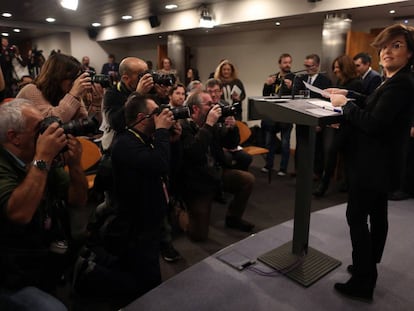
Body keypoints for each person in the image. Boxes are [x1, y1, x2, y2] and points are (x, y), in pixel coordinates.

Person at [327, 24, 414, 302]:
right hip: (382, 164)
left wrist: (345, 106)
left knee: (357, 217)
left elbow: (374, 123)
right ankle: (367, 265)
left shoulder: (402, 83)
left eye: (397, 45)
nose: (388, 51)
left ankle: (364, 280)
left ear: (410, 53)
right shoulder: (394, 80)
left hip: (373, 165)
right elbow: (376, 104)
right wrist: (347, 96)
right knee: (377, 216)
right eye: (385, 46)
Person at [0, 99, 88, 295]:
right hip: (10, 271)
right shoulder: (34, 158)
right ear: (14, 137)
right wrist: (42, 159)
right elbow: (19, 214)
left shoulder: (38, 155)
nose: (47, 134)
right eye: (40, 129)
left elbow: (78, 200)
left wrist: (74, 165)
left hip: (41, 253)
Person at [100, 56, 181, 262]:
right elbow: (118, 122)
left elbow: (158, 115)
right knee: (120, 206)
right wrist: (138, 94)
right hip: (119, 155)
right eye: (141, 74)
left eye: (148, 72)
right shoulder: (112, 93)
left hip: (144, 150)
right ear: (127, 78)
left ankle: (163, 242)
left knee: (154, 196)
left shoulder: (150, 91)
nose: (147, 77)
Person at [111, 93, 179, 295]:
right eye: (155, 113)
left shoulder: (145, 139)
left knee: (150, 265)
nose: (160, 116)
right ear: (142, 117)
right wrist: (162, 133)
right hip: (136, 224)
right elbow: (158, 165)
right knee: (145, 278)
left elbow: (169, 168)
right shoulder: (125, 143)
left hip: (151, 216)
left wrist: (172, 141)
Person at [179, 90, 255, 241]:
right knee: (199, 236)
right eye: (209, 105)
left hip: (214, 173)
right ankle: (178, 211)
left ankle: (233, 217)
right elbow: (195, 153)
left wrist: (232, 128)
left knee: (247, 179)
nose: (214, 108)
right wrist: (208, 125)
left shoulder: (213, 124)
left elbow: (231, 144)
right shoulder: (184, 126)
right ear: (195, 109)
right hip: (196, 182)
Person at [313, 55, 363, 197]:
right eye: (334, 67)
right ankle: (339, 184)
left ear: (345, 68)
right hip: (341, 124)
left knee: (337, 154)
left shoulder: (356, 84)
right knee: (337, 154)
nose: (335, 70)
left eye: (337, 67)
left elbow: (355, 107)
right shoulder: (341, 81)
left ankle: (326, 185)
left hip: (351, 127)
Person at [16, 53, 91, 123]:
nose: (75, 82)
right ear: (58, 77)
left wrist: (96, 104)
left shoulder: (66, 91)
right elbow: (51, 122)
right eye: (72, 77)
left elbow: (85, 123)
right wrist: (73, 95)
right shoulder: (31, 90)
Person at [205, 78, 252, 171]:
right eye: (210, 91)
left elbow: (234, 140)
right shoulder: (204, 108)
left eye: (216, 91)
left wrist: (233, 127)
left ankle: (234, 179)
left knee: (246, 158)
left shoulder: (225, 106)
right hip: (212, 146)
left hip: (227, 143)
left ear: (221, 92)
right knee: (226, 158)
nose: (213, 95)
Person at [261, 53, 294, 176]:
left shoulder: (294, 78)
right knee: (269, 142)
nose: (288, 64)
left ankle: (283, 169)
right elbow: (265, 95)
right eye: (285, 62)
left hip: (286, 116)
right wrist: (267, 85)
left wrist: (292, 88)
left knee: (285, 144)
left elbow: (297, 97)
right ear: (280, 64)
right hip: (273, 116)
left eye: (289, 62)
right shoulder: (274, 77)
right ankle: (268, 165)